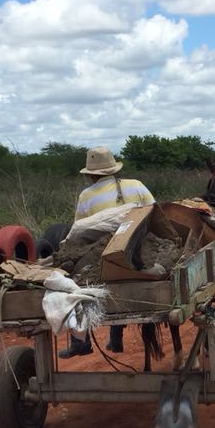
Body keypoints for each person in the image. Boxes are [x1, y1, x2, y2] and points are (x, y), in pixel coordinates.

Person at [60, 146, 154, 359]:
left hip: (102, 255)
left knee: (78, 282)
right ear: (113, 169)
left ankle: (80, 341)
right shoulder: (136, 185)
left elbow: (79, 232)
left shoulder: (86, 196)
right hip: (138, 248)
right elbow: (155, 212)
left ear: (92, 174)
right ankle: (116, 334)